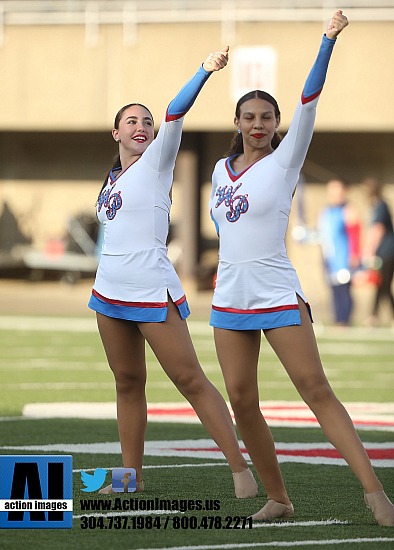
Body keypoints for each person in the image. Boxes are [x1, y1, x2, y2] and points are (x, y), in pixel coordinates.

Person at [208, 11, 394, 525]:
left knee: (316, 390)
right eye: (250, 117)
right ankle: (279, 498)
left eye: (268, 117)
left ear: (276, 124)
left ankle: (375, 493)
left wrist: (327, 41)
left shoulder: (286, 159)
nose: (259, 124)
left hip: (276, 292)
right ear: (238, 123)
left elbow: (309, 99)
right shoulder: (219, 173)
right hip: (229, 298)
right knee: (242, 401)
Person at [88, 47, 258, 499]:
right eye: (132, 122)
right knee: (127, 383)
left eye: (147, 122)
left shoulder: (158, 160)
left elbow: (175, 110)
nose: (142, 127)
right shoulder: (111, 180)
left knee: (190, 380)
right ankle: (130, 480)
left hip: (150, 288)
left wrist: (203, 70)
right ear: (115, 133)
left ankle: (241, 470)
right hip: (107, 293)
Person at [318, 178, 361, 326]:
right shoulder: (326, 211)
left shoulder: (348, 210)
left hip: (344, 257)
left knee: (344, 290)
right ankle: (337, 320)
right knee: (334, 290)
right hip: (329, 257)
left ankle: (344, 320)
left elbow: (355, 233)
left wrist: (354, 254)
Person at [363, 177, 394, 326]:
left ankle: (376, 317)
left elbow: (378, 230)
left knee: (385, 286)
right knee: (380, 285)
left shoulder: (380, 206)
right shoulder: (378, 206)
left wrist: (369, 251)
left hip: (386, 252)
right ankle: (373, 317)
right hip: (384, 252)